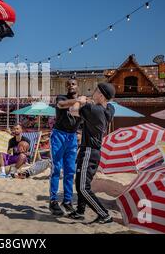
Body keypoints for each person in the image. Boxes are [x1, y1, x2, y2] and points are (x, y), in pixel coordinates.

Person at [68, 82, 116, 224]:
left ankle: (104, 214)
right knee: (80, 182)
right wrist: (90, 102)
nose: (92, 92)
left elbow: (72, 111)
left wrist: (79, 101)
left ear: (101, 95)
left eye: (95, 90)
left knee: (83, 187)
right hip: (93, 152)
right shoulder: (109, 109)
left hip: (89, 151)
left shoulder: (93, 109)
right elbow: (108, 105)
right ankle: (80, 211)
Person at [49, 78, 82, 216]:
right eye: (68, 84)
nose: (70, 86)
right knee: (56, 169)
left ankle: (67, 201)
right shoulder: (61, 98)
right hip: (59, 135)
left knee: (70, 171)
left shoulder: (83, 104)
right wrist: (80, 101)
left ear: (77, 86)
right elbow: (61, 105)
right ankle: (53, 201)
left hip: (72, 137)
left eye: (73, 84)